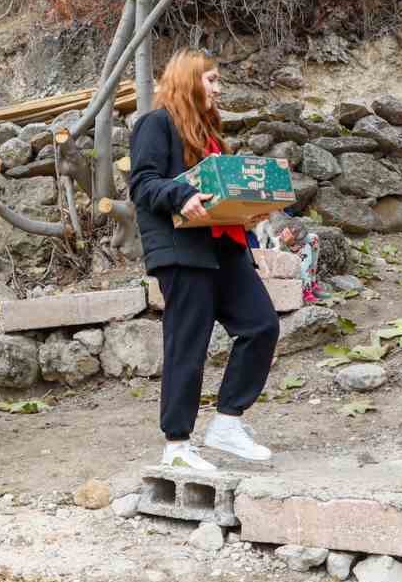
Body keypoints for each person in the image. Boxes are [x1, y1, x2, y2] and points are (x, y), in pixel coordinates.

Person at [129, 49, 279, 471]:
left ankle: (227, 423)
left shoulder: (211, 137)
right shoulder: (154, 125)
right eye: (211, 79)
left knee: (261, 325)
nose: (218, 87)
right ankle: (176, 446)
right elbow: (143, 184)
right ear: (188, 80)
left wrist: (249, 216)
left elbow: (219, 197)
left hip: (225, 248)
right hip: (182, 253)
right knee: (187, 346)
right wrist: (182, 195)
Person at [260, 211, 321, 303]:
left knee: (313, 238)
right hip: (274, 244)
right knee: (306, 249)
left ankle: (312, 281)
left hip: (285, 232)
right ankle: (306, 289)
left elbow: (288, 217)